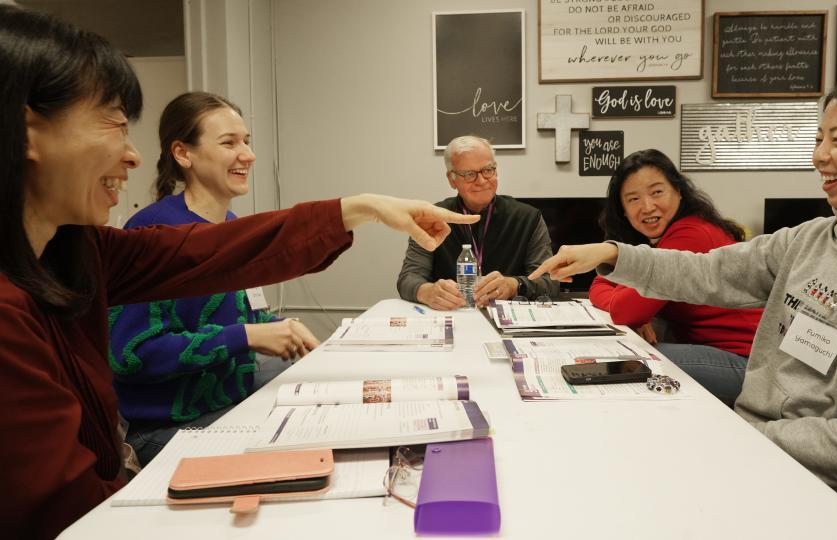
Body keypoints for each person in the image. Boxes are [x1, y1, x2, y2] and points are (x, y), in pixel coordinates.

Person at [0, 6, 478, 538]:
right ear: (28, 132)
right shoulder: (31, 299)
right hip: (169, 435)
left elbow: (223, 251)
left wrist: (358, 207)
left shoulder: (76, 247)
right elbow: (64, 508)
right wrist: (247, 335)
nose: (131, 155)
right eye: (113, 122)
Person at [530, 68, 837, 514]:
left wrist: (730, 436)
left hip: (810, 498)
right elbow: (708, 273)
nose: (820, 156)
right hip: (749, 460)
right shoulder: (812, 239)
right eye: (819, 138)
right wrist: (613, 254)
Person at [109, 92, 319, 466]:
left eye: (247, 142)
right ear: (183, 153)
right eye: (229, 143)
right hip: (170, 427)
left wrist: (279, 327)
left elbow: (241, 317)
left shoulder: (232, 229)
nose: (248, 155)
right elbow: (131, 355)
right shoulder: (151, 233)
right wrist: (249, 336)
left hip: (232, 404)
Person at [590, 149, 763, 407]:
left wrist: (640, 309)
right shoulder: (666, 236)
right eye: (633, 199)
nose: (647, 206)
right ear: (623, 211)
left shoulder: (689, 235)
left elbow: (623, 310)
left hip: (748, 365)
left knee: (622, 356)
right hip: (725, 354)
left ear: (679, 192)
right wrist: (640, 308)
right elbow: (600, 284)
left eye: (657, 192)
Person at [397, 135, 559, 310]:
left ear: (496, 171)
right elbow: (408, 278)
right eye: (469, 174)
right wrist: (427, 291)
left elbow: (550, 281)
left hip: (508, 319)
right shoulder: (432, 217)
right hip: (452, 316)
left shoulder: (528, 218)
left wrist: (514, 285)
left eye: (487, 170)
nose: (481, 181)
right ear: (452, 179)